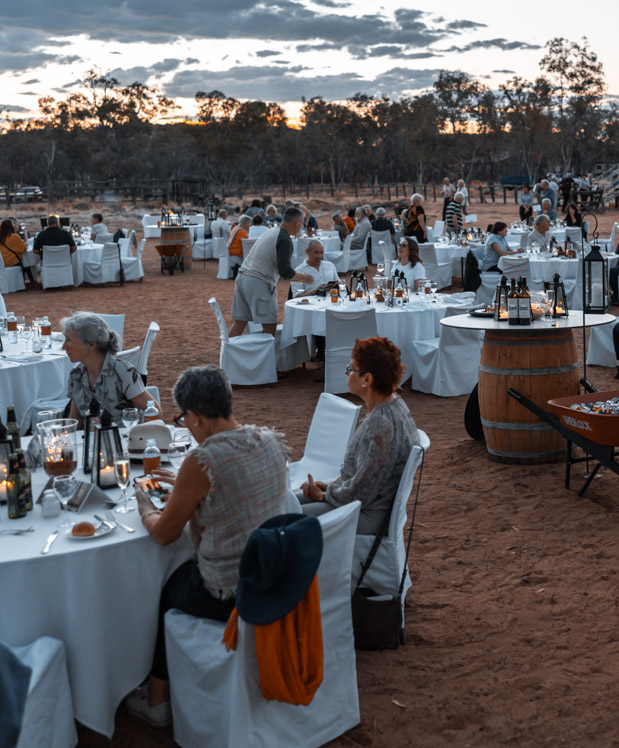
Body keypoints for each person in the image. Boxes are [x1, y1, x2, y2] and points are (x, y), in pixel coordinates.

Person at [128, 364, 293, 727]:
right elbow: (231, 484)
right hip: (274, 575)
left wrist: (143, 506)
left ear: (197, 417)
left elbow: (164, 534)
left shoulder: (201, 460)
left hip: (229, 592)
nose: (184, 424)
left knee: (166, 586)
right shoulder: (268, 438)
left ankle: (156, 699)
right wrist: (185, 484)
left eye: (184, 418)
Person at [299, 337, 416, 534]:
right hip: (364, 504)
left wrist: (323, 495)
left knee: (287, 517)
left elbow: (361, 491)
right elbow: (362, 477)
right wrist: (329, 486)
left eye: (351, 368)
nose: (347, 373)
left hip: (365, 514)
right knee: (288, 502)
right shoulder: (395, 407)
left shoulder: (381, 425)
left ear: (367, 379)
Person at [230, 207, 307, 339]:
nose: (301, 227)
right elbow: (285, 271)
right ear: (295, 222)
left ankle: (226, 357)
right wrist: (304, 277)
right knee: (269, 326)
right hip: (258, 282)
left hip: (242, 278)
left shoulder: (272, 231)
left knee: (239, 323)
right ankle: (263, 359)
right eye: (301, 223)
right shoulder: (284, 239)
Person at [61, 312, 149, 417]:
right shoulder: (76, 375)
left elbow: (155, 412)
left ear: (91, 344)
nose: (64, 346)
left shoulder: (123, 373)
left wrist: (137, 433)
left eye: (69, 340)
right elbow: (76, 422)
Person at [0, 218, 36, 285]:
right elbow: (23, 249)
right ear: (11, 227)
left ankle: (27, 280)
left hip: (2, 262)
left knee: (23, 261)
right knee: (25, 262)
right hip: (12, 262)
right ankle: (26, 281)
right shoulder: (14, 236)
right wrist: (25, 235)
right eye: (14, 225)